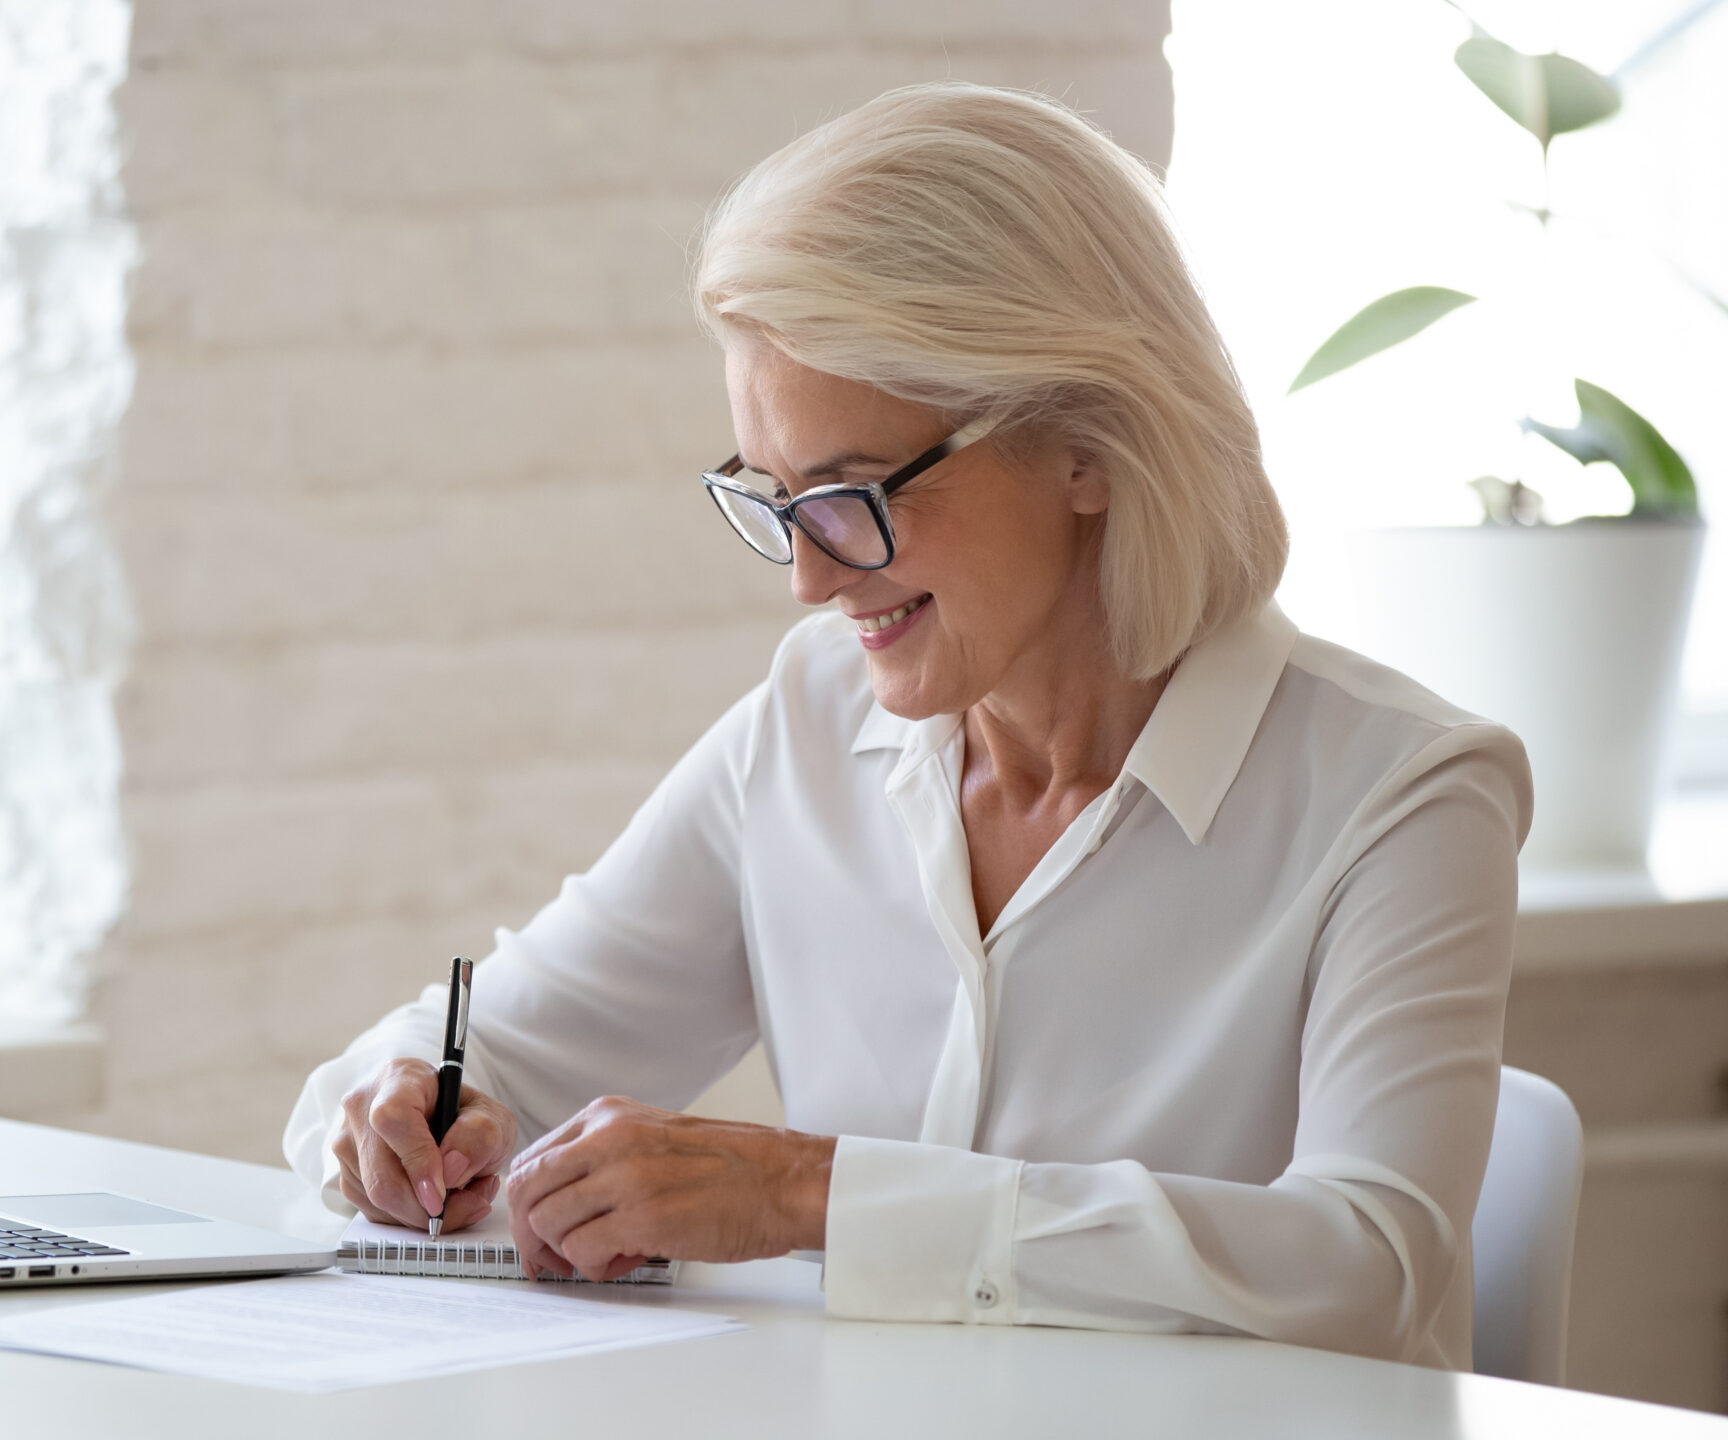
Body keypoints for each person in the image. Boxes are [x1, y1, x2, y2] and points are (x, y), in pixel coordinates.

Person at [283, 83, 1528, 1369]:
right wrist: (398, 1123)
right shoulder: (808, 729)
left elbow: (1365, 1266)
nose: (810, 578)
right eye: (775, 498)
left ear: (1088, 444)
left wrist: (805, 1191)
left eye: (853, 493)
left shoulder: (1404, 792)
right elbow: (492, 1044)